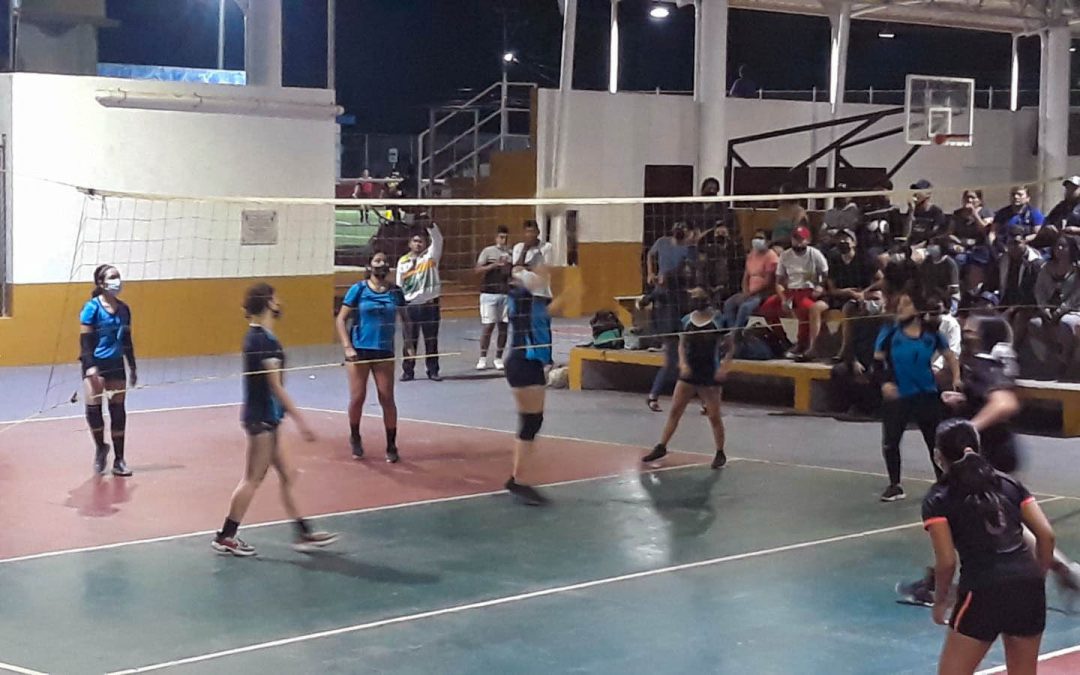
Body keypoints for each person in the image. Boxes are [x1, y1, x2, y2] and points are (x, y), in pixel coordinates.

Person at [898, 316, 1080, 608]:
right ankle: (1066, 571)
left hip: (987, 456)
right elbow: (989, 398)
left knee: (954, 514)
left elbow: (1004, 403)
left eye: (971, 327)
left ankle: (936, 584)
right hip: (994, 452)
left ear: (982, 336)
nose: (965, 328)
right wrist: (963, 401)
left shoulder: (982, 366)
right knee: (1010, 522)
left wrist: (970, 428)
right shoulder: (983, 365)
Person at [211, 283, 338, 557]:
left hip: (269, 419)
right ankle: (226, 536)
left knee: (288, 474)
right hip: (262, 420)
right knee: (252, 479)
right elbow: (276, 387)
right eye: (276, 297)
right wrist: (301, 420)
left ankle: (304, 533)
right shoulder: (262, 341)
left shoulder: (260, 337)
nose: (280, 301)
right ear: (269, 302)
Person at [922, 418, 1052, 675]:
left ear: (938, 456)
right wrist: (1037, 576)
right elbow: (1046, 535)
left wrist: (940, 601)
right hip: (1028, 588)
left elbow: (947, 561)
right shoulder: (1009, 484)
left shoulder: (939, 498)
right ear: (978, 448)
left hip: (983, 591)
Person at [874, 292, 961, 502]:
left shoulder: (931, 334)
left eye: (906, 305)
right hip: (899, 394)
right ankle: (895, 485)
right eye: (899, 305)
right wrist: (885, 383)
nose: (900, 309)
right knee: (891, 441)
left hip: (926, 393)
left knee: (934, 441)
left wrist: (957, 378)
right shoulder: (889, 331)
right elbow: (877, 362)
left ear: (918, 310)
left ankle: (944, 482)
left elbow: (950, 356)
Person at [503, 265, 574, 506]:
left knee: (531, 421)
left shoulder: (534, 307)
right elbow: (527, 292)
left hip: (527, 364)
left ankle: (517, 478)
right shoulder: (522, 304)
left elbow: (550, 307)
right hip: (523, 363)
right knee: (531, 422)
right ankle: (518, 481)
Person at [642, 287, 734, 470]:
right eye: (692, 298)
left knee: (714, 416)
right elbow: (682, 344)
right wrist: (683, 364)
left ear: (706, 300)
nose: (695, 301)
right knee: (675, 411)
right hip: (689, 374)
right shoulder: (686, 320)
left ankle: (720, 452)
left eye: (698, 297)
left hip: (709, 373)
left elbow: (731, 346)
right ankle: (661, 446)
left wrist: (724, 367)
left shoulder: (718, 321)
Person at [336, 252, 411, 462]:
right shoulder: (358, 289)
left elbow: (406, 319)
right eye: (377, 260)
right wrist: (347, 346)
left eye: (385, 261)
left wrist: (409, 344)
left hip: (384, 349)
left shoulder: (395, 292)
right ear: (369, 265)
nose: (382, 264)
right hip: (359, 349)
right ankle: (355, 436)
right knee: (358, 397)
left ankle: (391, 444)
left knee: (386, 397)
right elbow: (341, 320)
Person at [80, 264, 138, 477]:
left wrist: (132, 366)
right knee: (94, 411)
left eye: (118, 276)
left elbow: (127, 341)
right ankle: (100, 446)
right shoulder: (91, 308)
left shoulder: (124, 309)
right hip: (95, 364)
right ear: (101, 283)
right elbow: (85, 342)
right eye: (112, 277)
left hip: (116, 365)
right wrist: (89, 366)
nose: (117, 280)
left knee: (118, 410)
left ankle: (119, 459)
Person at [643, 221, 699, 412]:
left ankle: (656, 396)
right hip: (670, 314)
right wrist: (650, 274)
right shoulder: (663, 244)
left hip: (681, 313)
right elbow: (650, 256)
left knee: (689, 360)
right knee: (676, 360)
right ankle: (654, 395)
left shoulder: (689, 254)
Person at [758, 226, 829, 358]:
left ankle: (803, 343)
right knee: (767, 308)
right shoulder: (785, 255)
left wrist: (820, 286)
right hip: (790, 290)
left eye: (802, 239)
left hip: (808, 290)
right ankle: (783, 339)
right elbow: (779, 282)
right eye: (796, 239)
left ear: (808, 240)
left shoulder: (815, 254)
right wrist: (783, 298)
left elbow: (825, 273)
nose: (798, 242)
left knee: (804, 308)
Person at [397, 214, 444, 382]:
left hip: (430, 306)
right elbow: (399, 285)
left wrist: (430, 225)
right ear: (410, 243)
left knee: (431, 340)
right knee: (409, 340)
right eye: (415, 241)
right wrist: (400, 307)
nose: (418, 244)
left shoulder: (431, 257)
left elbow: (438, 239)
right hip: (411, 306)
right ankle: (408, 371)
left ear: (426, 243)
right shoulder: (402, 262)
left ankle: (433, 370)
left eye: (421, 241)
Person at [1030, 236, 1080, 376]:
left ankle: (1065, 361)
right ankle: (1051, 358)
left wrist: (1062, 309)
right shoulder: (1046, 268)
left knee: (1066, 323)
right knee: (1034, 324)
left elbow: (1077, 295)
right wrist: (1043, 307)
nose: (1059, 249)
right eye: (1057, 246)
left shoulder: (1077, 269)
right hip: (1049, 310)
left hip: (1073, 309)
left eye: (1064, 246)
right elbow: (1038, 290)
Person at [720, 230, 778, 330]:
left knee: (745, 308)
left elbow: (768, 282)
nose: (756, 240)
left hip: (763, 294)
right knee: (729, 303)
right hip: (748, 293)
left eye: (760, 238)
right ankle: (731, 330)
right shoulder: (752, 254)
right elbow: (746, 276)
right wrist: (745, 291)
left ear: (768, 241)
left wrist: (750, 294)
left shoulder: (771, 256)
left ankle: (736, 333)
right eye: (755, 237)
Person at [475, 225, 513, 370]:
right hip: (489, 293)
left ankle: (498, 357)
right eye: (501, 237)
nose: (504, 240)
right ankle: (482, 357)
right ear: (496, 237)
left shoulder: (511, 253)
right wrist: (494, 265)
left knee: (503, 327)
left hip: (505, 294)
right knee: (488, 326)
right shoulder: (488, 251)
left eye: (506, 237)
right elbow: (477, 270)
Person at [992, 185, 1044, 249]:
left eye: (1020, 195)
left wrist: (1024, 240)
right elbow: (992, 233)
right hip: (1002, 247)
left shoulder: (1034, 213)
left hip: (1025, 249)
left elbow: (1038, 234)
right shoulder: (1001, 213)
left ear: (1028, 198)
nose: (1016, 197)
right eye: (1013, 194)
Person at [905, 179, 948, 247]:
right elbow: (906, 234)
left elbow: (934, 237)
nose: (915, 193)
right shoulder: (912, 210)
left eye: (919, 191)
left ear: (928, 194)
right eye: (914, 191)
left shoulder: (936, 212)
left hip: (928, 247)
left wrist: (917, 247)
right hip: (911, 245)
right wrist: (911, 212)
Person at [1044, 176, 1080, 242]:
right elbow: (1047, 221)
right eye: (1068, 188)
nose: (1069, 191)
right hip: (1059, 241)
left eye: (1073, 189)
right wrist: (1049, 227)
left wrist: (1076, 230)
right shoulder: (1061, 206)